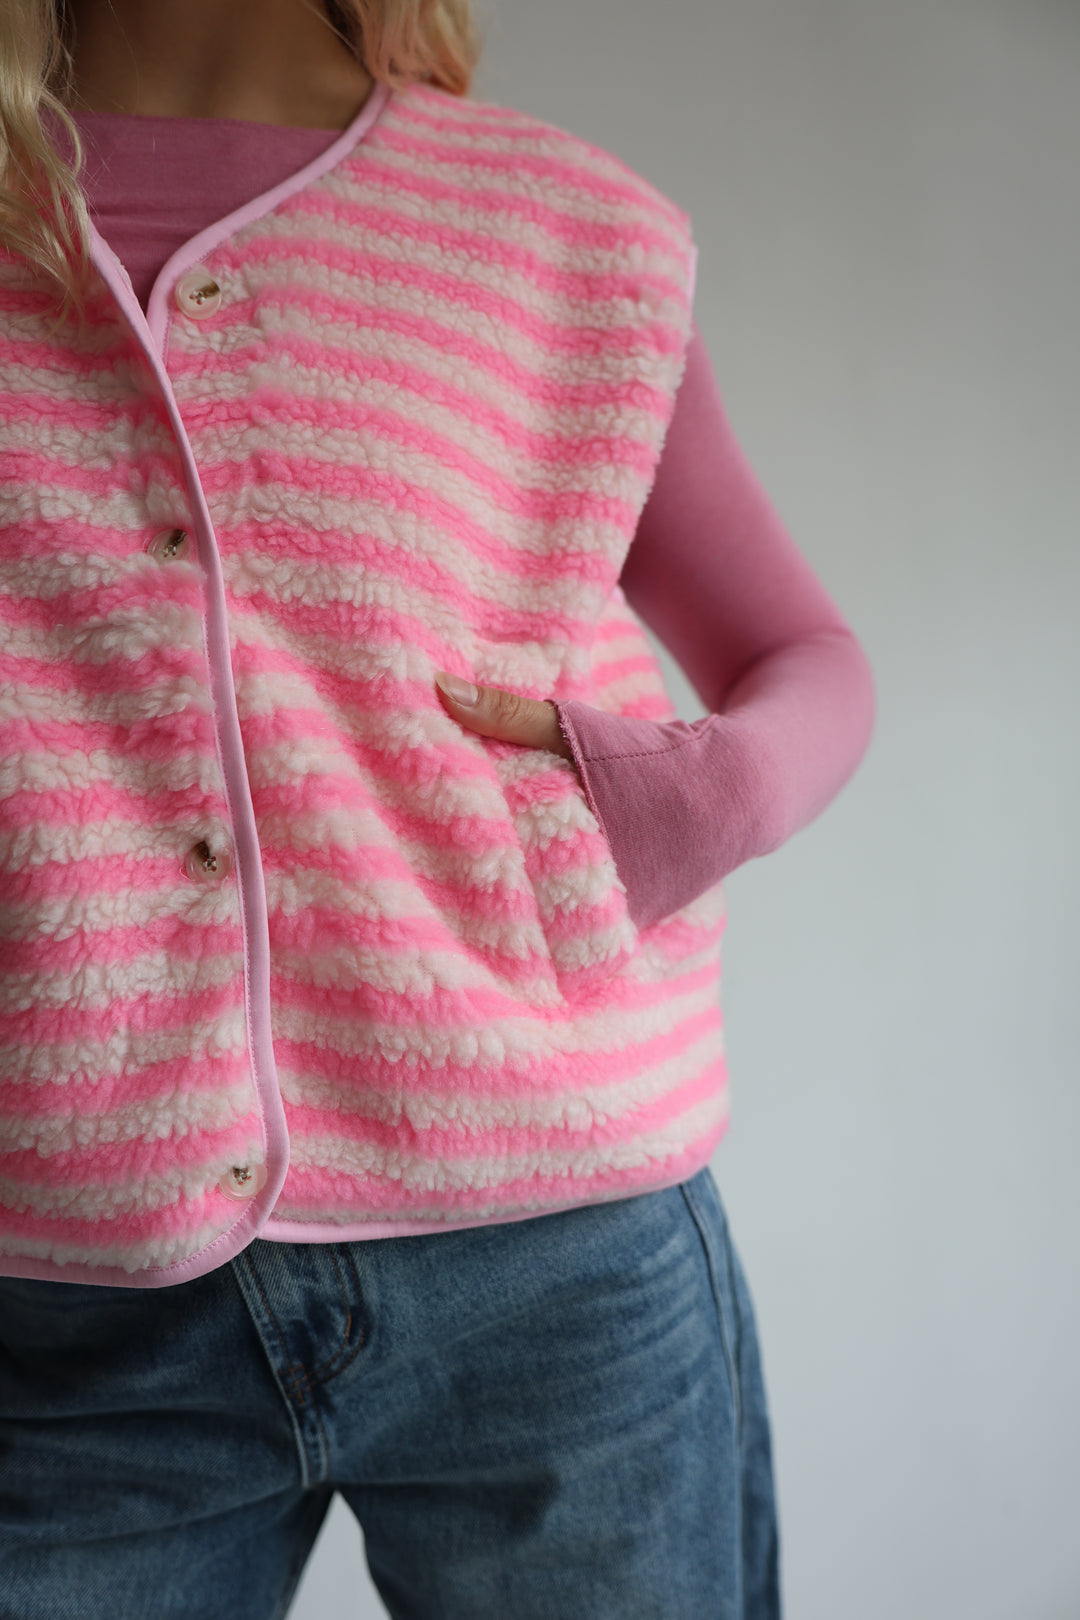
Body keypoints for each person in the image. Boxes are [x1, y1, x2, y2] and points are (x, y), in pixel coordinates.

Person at [0, 1, 875, 1615]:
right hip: (61, 1294)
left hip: (554, 1255)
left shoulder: (559, 233)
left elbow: (802, 653)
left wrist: (703, 793)